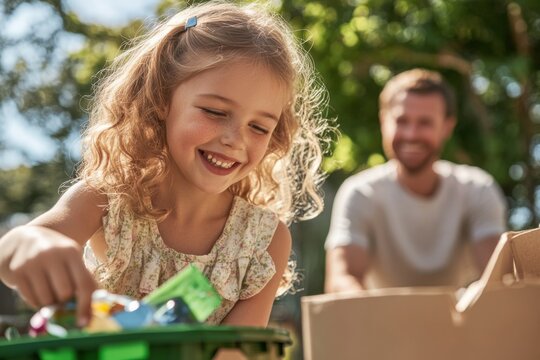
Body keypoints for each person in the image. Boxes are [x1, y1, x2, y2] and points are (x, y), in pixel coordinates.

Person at [0, 1, 332, 329]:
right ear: (161, 99)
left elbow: (236, 349)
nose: (236, 139)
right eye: (215, 112)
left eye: (259, 127)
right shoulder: (108, 199)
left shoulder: (265, 239)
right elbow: (10, 251)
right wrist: (35, 244)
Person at [325, 68, 507, 292]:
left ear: (447, 127)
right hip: (382, 324)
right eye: (402, 121)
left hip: (462, 325)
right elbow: (341, 280)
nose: (411, 134)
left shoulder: (477, 190)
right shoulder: (361, 193)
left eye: (425, 123)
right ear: (384, 122)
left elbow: (497, 279)